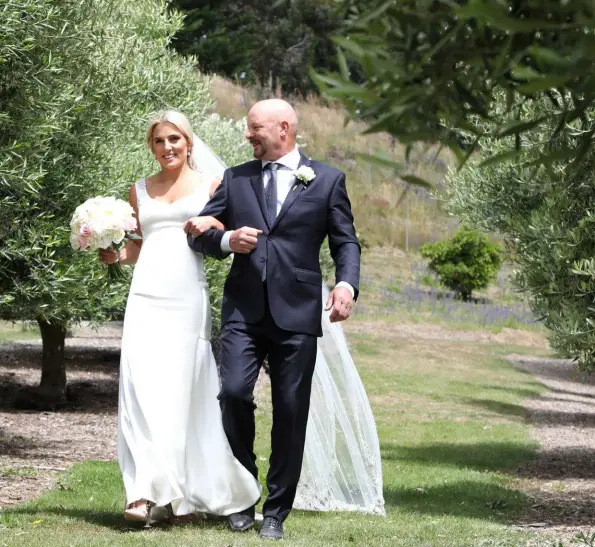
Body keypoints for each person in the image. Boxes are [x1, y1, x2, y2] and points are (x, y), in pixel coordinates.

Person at [187, 99, 366, 541]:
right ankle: (242, 492)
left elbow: (346, 242)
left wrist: (346, 285)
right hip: (243, 311)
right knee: (231, 394)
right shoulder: (236, 178)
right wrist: (228, 239)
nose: (248, 136)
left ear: (284, 128)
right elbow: (200, 236)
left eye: (254, 129)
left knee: (290, 409)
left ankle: (276, 509)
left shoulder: (327, 180)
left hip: (297, 312)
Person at [100, 110, 261, 523]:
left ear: (189, 142)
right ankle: (140, 493)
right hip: (145, 295)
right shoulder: (138, 190)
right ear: (151, 146)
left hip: (186, 296)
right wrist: (111, 252)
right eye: (159, 141)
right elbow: (137, 246)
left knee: (180, 389)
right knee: (139, 386)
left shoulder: (212, 185)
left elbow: (226, 237)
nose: (167, 147)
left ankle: (178, 494)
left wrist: (214, 223)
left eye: (174, 139)